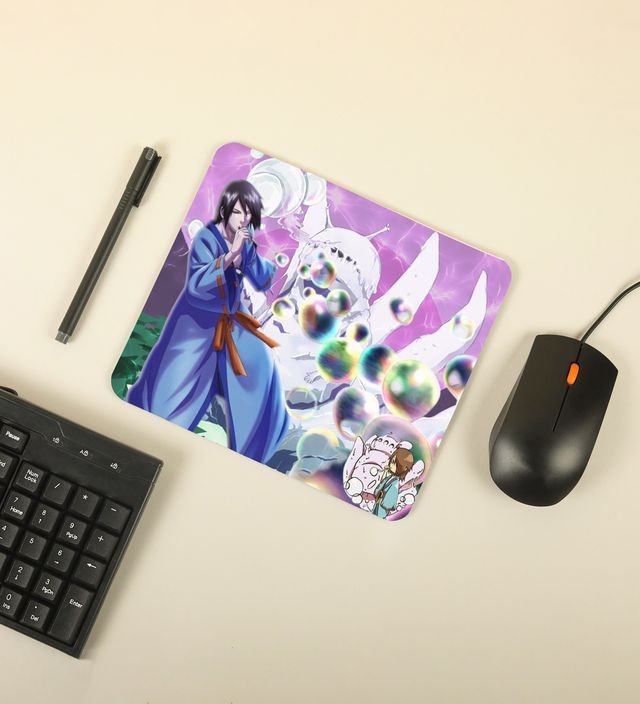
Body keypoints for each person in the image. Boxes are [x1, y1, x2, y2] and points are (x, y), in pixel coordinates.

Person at [127, 180, 289, 464]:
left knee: (259, 369)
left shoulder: (245, 238)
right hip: (197, 321)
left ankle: (254, 453)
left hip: (233, 320)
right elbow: (196, 287)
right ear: (225, 210)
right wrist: (229, 257)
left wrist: (248, 254)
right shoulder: (206, 238)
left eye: (249, 214)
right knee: (173, 391)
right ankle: (149, 441)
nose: (243, 219)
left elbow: (263, 280)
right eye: (238, 212)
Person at [371, 447, 414, 518]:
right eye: (391, 461)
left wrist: (382, 499)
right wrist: (385, 472)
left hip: (382, 507)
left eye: (394, 463)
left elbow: (390, 500)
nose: (391, 464)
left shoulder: (395, 483)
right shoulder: (391, 477)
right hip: (379, 503)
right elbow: (382, 482)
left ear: (404, 468)